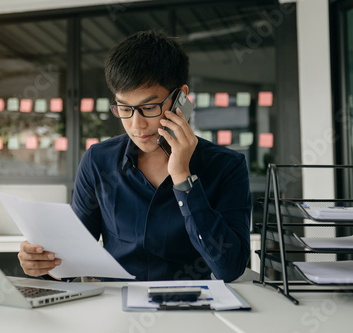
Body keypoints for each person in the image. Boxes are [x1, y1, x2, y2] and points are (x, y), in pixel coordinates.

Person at [18, 30, 251, 282]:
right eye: (125, 108)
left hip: (192, 308)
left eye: (149, 107)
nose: (136, 125)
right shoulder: (98, 161)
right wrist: (42, 263)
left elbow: (229, 268)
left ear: (181, 98)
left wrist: (183, 178)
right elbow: (71, 257)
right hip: (115, 308)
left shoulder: (226, 166)